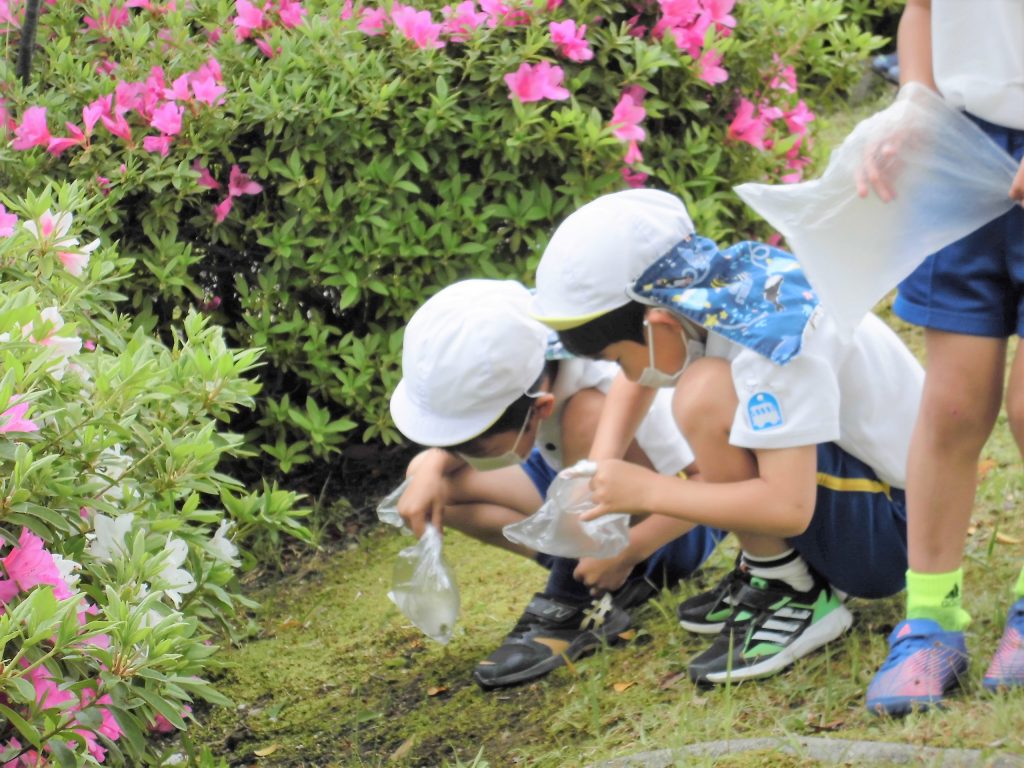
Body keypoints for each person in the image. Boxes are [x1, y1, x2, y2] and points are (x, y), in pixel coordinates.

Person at [529, 188, 921, 685]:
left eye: (615, 358)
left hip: (898, 532)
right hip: (883, 500)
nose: (623, 373)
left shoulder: (768, 345)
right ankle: (781, 571)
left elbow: (787, 507)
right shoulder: (725, 293)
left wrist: (643, 492)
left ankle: (792, 591)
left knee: (703, 393)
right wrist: (598, 465)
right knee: (705, 390)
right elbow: (639, 374)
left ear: (658, 323)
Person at [388, 278, 724, 690]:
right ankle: (593, 577)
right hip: (586, 494)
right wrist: (432, 463)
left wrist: (630, 549)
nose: (466, 455)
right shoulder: (531, 357)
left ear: (540, 410)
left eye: (477, 445)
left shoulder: (610, 374)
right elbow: (462, 451)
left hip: (673, 522)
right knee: (431, 486)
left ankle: (575, 597)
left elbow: (711, 482)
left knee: (586, 417)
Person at [857, 0, 1024, 715]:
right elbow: (922, 9)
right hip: (959, 149)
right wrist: (912, 105)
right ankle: (930, 618)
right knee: (954, 402)